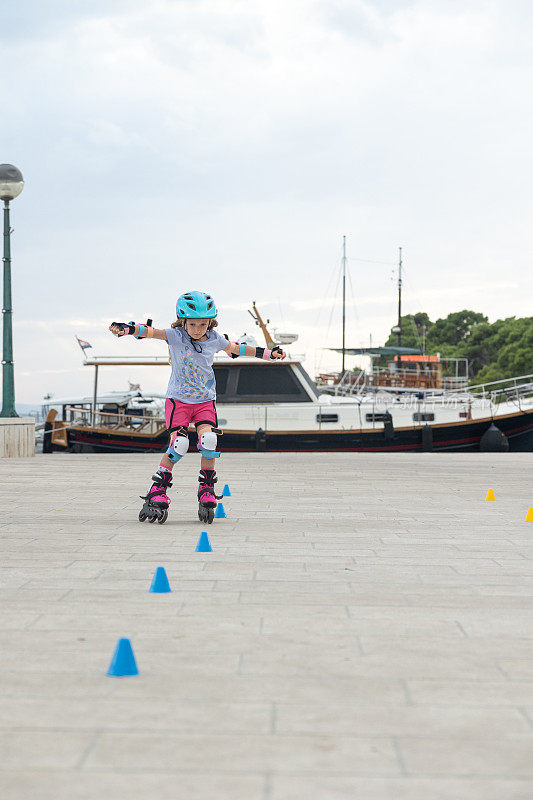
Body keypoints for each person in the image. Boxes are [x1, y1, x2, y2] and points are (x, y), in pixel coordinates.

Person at [109, 290, 285, 523]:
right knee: (180, 444)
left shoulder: (214, 339)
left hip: (204, 401)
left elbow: (238, 349)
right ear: (183, 321)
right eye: (192, 324)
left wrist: (268, 354)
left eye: (203, 324)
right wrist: (129, 329)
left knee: (209, 440)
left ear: (210, 322)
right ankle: (157, 490)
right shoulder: (176, 336)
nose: (198, 329)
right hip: (178, 401)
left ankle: (207, 488)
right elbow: (152, 332)